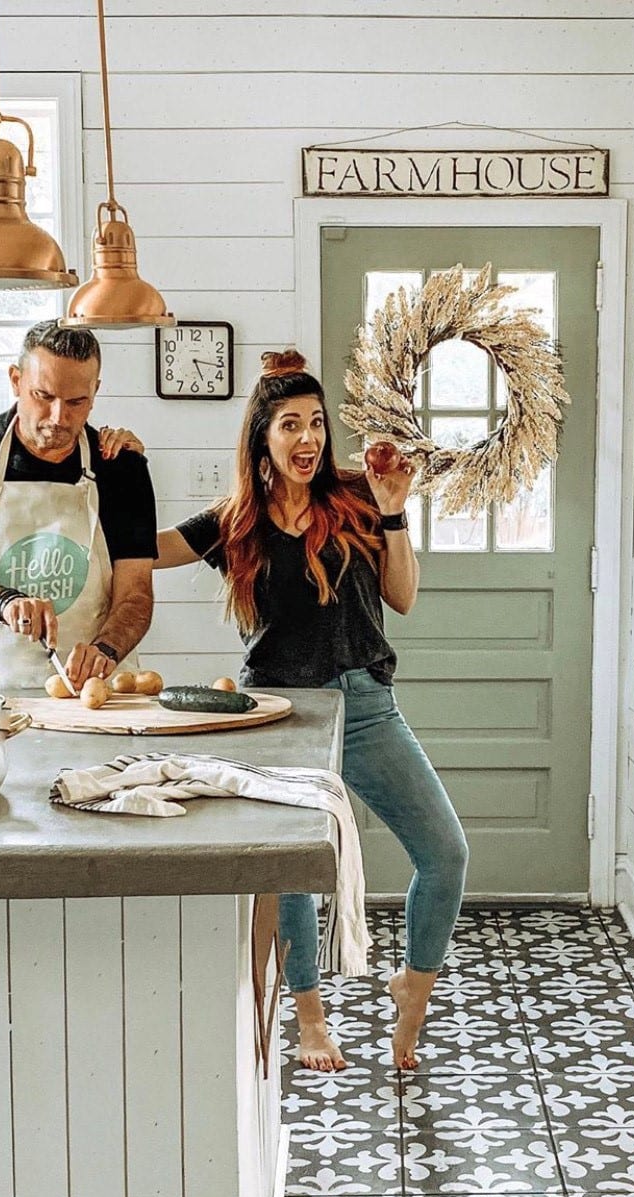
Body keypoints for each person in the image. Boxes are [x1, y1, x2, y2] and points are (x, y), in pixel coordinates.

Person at [154, 350, 468, 1071]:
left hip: (365, 705)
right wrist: (111, 469)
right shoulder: (234, 521)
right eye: (290, 424)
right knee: (293, 870)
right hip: (280, 714)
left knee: (445, 854)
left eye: (317, 424)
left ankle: (411, 991)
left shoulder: (361, 496)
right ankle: (310, 1018)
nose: (308, 439)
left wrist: (393, 513)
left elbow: (403, 597)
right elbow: (138, 550)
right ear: (261, 435)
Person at [0, 320, 156, 690]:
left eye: (76, 402)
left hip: (89, 692)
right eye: (44, 396)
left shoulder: (121, 468)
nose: (59, 418)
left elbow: (135, 594)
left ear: (95, 391)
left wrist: (107, 648)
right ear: (15, 380)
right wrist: (4, 601)